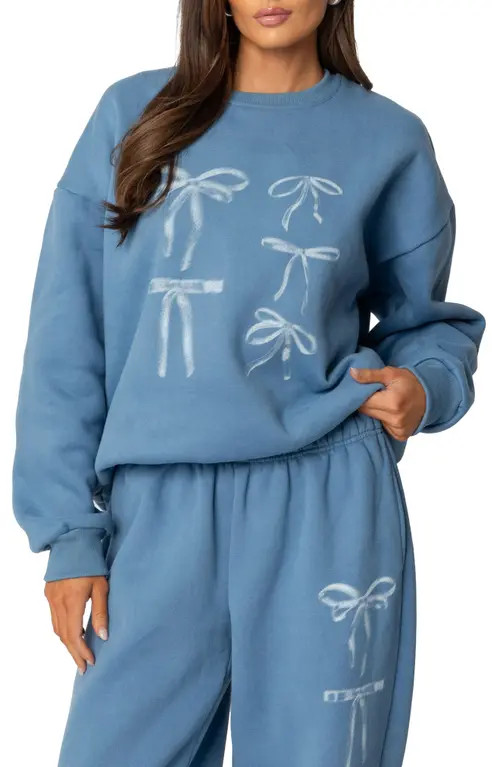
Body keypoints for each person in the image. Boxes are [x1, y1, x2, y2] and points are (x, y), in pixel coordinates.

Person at [12, 1, 486, 765]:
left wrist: (425, 386)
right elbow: (68, 339)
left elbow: (426, 322)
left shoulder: (388, 138)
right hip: (157, 511)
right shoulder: (132, 117)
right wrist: (70, 534)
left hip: (326, 502)